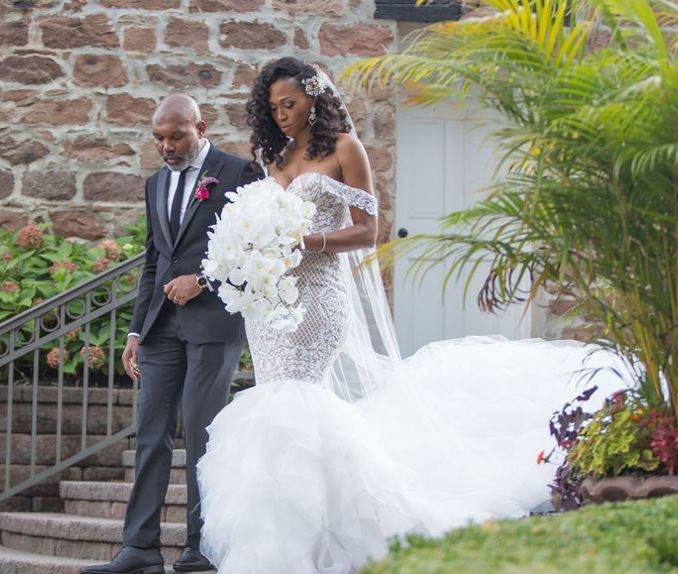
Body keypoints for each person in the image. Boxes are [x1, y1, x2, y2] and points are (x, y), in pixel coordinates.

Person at [194, 57, 631, 574]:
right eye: (273, 108)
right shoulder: (277, 153)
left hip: (318, 300)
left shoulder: (343, 149)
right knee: (273, 413)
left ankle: (294, 555)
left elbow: (369, 230)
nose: (282, 115)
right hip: (272, 307)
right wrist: (250, 248)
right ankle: (291, 544)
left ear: (314, 98)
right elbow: (264, 219)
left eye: (289, 104)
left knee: (294, 405)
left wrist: (305, 240)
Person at [81, 94, 263, 574]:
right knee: (151, 434)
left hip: (213, 323)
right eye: (158, 138)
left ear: (200, 127)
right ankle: (139, 548)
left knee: (203, 435)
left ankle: (200, 546)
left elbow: (257, 248)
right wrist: (136, 330)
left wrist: (203, 281)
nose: (166, 146)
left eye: (176, 135)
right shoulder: (155, 183)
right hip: (161, 326)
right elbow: (152, 261)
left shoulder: (239, 172)